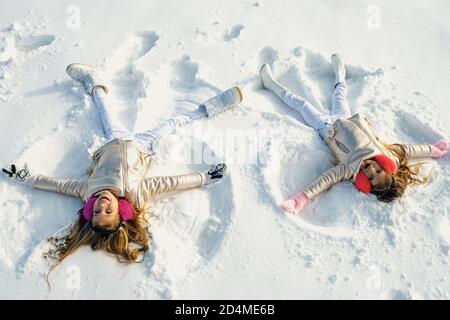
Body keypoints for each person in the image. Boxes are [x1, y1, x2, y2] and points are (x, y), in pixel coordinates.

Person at [2, 63, 243, 272]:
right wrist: (204, 177)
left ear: (89, 210)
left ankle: (92, 80)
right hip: (144, 145)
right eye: (108, 212)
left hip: (112, 140)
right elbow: (170, 182)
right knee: (174, 121)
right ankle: (214, 105)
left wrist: (24, 177)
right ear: (123, 210)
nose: (101, 205)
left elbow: (57, 184)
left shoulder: (87, 191)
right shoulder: (136, 194)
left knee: (104, 108)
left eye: (96, 212)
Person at [260, 54, 448, 213]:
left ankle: (271, 84)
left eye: (371, 177)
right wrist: (434, 150)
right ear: (385, 167)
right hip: (347, 118)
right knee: (339, 94)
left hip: (326, 128)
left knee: (301, 104)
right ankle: (340, 73)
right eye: (379, 170)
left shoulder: (350, 168)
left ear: (366, 183)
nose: (371, 169)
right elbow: (409, 150)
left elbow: (326, 180)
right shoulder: (389, 155)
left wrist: (299, 200)